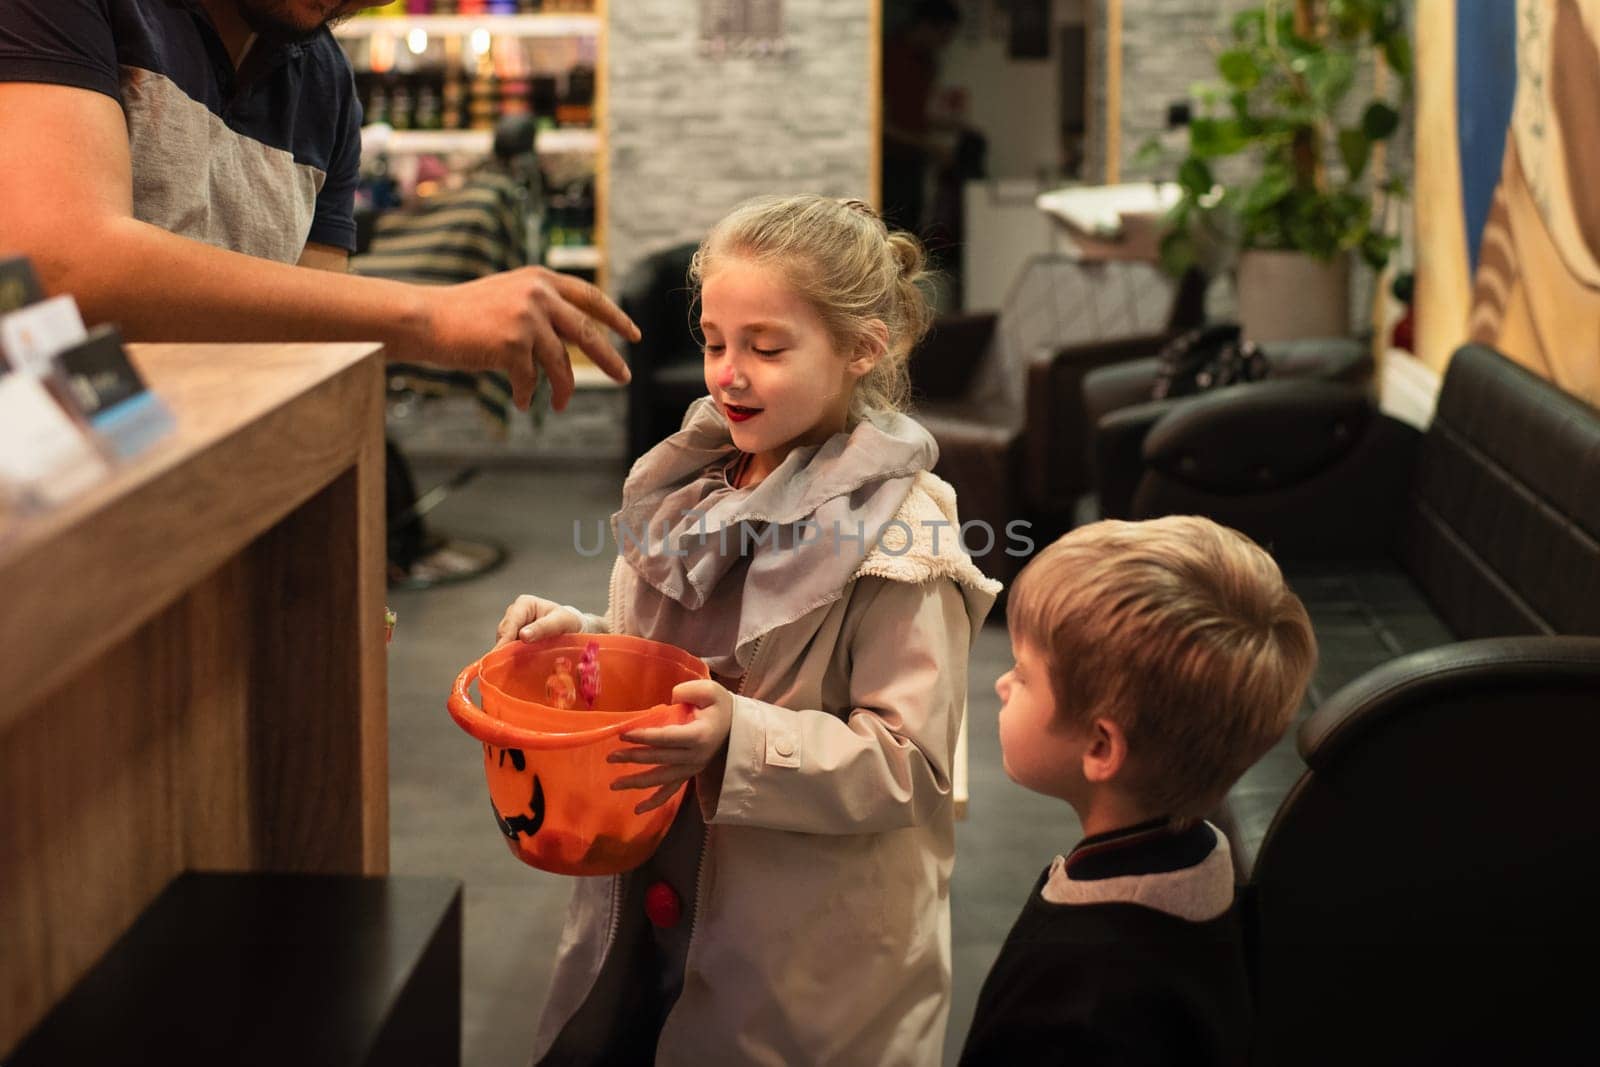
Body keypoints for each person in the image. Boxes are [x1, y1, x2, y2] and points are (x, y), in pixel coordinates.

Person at [494, 194, 1001, 1065]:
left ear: (861, 349)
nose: (728, 373)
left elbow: (911, 765)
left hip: (801, 962)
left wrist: (741, 739)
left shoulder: (902, 537)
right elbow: (672, 652)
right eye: (715, 342)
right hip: (662, 907)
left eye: (766, 348)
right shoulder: (701, 480)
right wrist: (576, 640)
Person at [0, 0, 634, 411]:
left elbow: (304, 342)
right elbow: (55, 267)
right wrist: (429, 317)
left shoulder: (325, 83)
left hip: (190, 494)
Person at [959, 516, 1316, 1066]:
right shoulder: (1202, 861)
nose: (1001, 684)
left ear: (1102, 747)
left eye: (1024, 674)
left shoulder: (1079, 1008)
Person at [880, 0, 962, 239]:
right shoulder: (888, 55)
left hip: (913, 160)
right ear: (925, 26)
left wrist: (948, 126)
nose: (945, 43)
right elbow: (881, 125)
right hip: (889, 161)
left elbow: (915, 113)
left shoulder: (928, 63)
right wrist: (930, 145)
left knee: (911, 229)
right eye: (944, 34)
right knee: (891, 231)